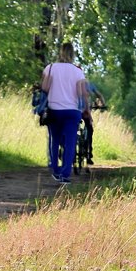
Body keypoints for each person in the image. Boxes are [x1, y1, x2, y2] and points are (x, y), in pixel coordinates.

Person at [41, 43, 89, 184]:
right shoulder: (77, 71)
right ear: (73, 54)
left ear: (59, 52)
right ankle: (65, 175)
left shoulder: (50, 68)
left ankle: (55, 171)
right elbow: (82, 93)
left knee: (54, 140)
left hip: (54, 110)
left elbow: (44, 87)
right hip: (72, 111)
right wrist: (87, 109)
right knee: (70, 142)